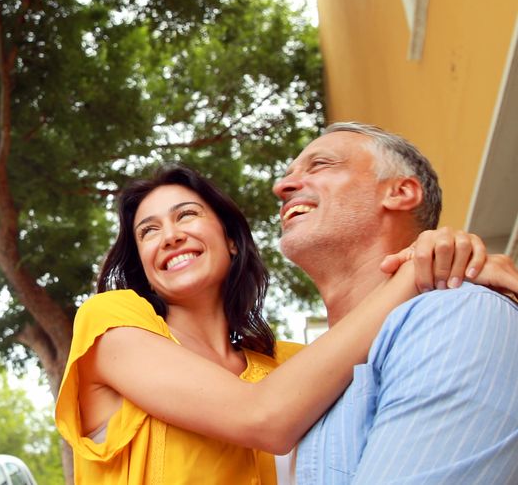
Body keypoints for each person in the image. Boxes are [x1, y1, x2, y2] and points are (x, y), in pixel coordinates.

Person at [53, 163, 517, 484]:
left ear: (231, 241)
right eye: (148, 231)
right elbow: (263, 417)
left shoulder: (291, 365)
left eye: (186, 215)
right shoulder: (110, 325)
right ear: (142, 261)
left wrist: (463, 269)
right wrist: (419, 272)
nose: (169, 235)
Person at [274, 122, 518, 484]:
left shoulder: (458, 313)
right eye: (288, 174)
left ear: (401, 192)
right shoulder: (307, 390)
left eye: (320, 164)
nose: (282, 187)